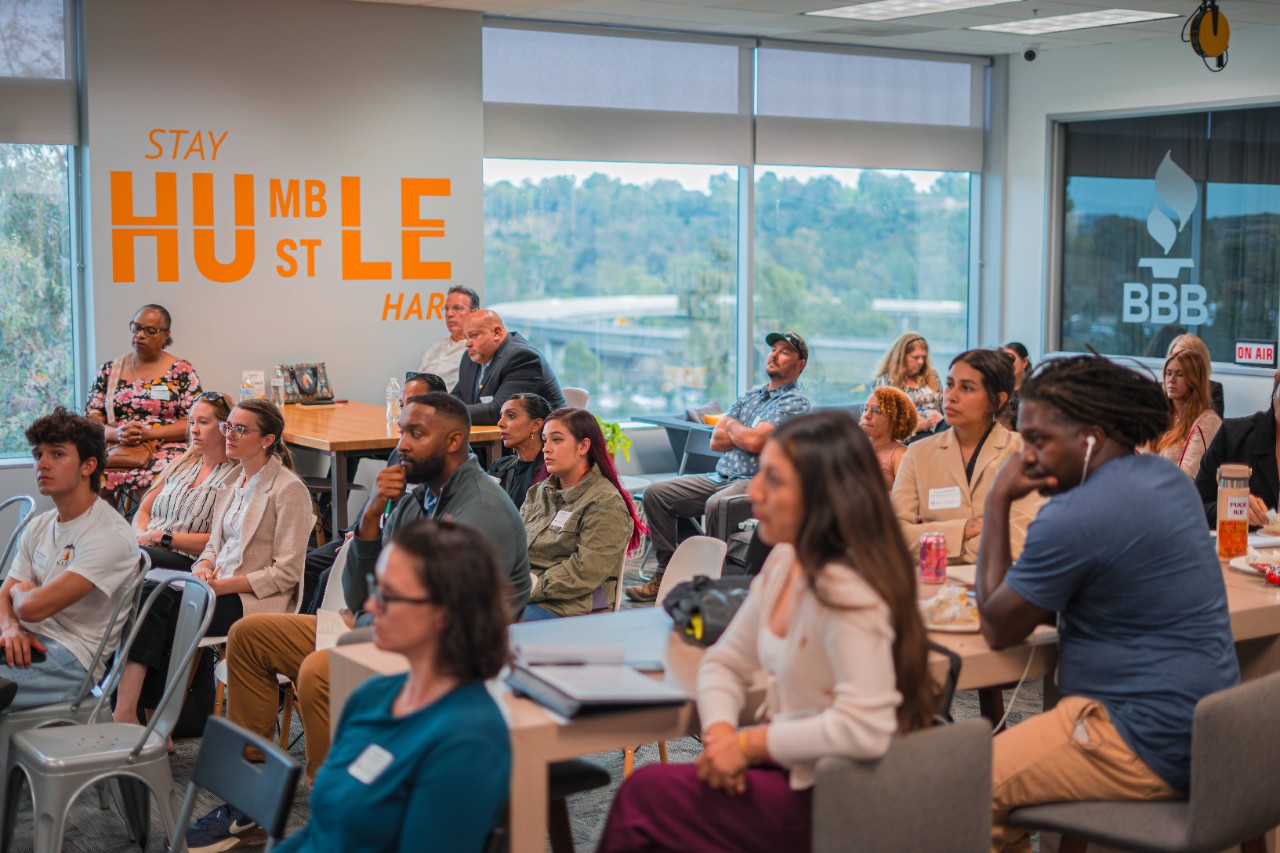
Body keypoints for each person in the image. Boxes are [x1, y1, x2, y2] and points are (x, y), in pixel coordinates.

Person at [188, 392, 530, 848]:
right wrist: (370, 516)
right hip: (383, 627)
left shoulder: (480, 510)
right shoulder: (415, 496)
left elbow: (448, 621)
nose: (401, 444)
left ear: (453, 441)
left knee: (321, 670)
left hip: (444, 654)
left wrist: (365, 622)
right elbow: (360, 594)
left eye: (416, 433)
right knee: (250, 635)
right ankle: (249, 802)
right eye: (402, 431)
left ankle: (336, 809)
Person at [597, 410, 937, 852]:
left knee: (645, 797)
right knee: (652, 798)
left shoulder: (850, 586)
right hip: (790, 768)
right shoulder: (786, 560)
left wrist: (749, 746)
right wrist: (721, 736)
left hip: (840, 796)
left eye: (774, 480)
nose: (755, 491)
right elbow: (725, 661)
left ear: (824, 494)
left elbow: (864, 728)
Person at [975, 354, 1239, 853]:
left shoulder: (1075, 514)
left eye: (1038, 441)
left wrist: (997, 500)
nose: (1026, 457)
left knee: (956, 790)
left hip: (1138, 738)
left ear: (1091, 438)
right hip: (1208, 734)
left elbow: (998, 626)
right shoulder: (1169, 481)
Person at [204, 520, 509, 853]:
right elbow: (322, 828)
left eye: (389, 595)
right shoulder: (372, 696)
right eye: (375, 588)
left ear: (442, 614)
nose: (371, 607)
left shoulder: (467, 741)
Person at [113, 399, 312, 733]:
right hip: (215, 585)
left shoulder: (289, 489)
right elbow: (213, 547)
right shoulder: (234, 481)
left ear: (267, 439)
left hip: (253, 599)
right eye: (228, 426)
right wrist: (203, 567)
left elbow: (287, 574)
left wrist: (220, 585)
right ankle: (134, 714)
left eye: (240, 429)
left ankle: (150, 721)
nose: (229, 434)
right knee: (149, 595)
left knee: (162, 608)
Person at [627, 331, 811, 602]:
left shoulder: (795, 402)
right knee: (657, 494)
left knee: (717, 504)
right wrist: (745, 433)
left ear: (800, 364)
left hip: (753, 482)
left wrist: (735, 427)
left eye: (784, 352)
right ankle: (666, 575)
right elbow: (716, 441)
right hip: (720, 476)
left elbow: (755, 442)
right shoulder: (750, 395)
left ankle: (713, 589)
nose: (774, 355)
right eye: (773, 349)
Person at [0, 408, 137, 713]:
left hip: (71, 660)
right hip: (26, 637)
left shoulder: (109, 535)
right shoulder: (40, 524)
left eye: (57, 454)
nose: (42, 464)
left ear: (88, 465)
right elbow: (5, 596)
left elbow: (31, 607)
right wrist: (9, 627)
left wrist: (19, 593)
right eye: (38, 454)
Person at [301, 372, 438, 612]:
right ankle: (300, 627)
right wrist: (357, 531)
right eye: (403, 404)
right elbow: (379, 504)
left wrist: (368, 537)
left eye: (414, 402)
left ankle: (320, 631)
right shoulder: (402, 449)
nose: (405, 411)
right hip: (370, 534)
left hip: (393, 546)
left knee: (328, 577)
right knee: (307, 564)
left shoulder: (440, 460)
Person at [891, 349, 1041, 564]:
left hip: (998, 581)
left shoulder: (1024, 452)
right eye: (950, 384)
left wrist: (935, 544)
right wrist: (962, 530)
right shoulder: (917, 453)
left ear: (998, 400)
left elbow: (1019, 541)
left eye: (967, 388)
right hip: (932, 582)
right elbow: (896, 538)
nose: (951, 396)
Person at [522, 408, 643, 620]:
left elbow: (586, 571)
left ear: (583, 446)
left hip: (572, 607)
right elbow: (515, 546)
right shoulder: (539, 492)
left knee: (488, 626)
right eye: (545, 440)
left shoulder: (605, 503)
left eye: (556, 440)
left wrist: (528, 587)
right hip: (531, 593)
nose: (546, 448)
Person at [85, 304, 203, 504]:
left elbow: (192, 421)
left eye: (150, 331)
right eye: (136, 328)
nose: (140, 335)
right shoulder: (109, 370)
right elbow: (91, 419)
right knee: (90, 470)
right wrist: (115, 433)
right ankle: (109, 522)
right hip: (116, 445)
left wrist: (148, 434)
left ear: (166, 335)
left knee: (159, 476)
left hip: (166, 445)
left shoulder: (181, 371)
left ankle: (147, 520)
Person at [131, 391, 239, 571]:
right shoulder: (180, 464)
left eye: (203, 422)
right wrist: (141, 536)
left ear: (225, 427)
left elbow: (224, 539)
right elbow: (143, 510)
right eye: (191, 422)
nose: (194, 430)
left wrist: (162, 538)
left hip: (188, 560)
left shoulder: (236, 477)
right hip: (145, 550)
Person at [452, 310, 567, 426]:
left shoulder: (522, 358)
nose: (467, 344)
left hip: (545, 434)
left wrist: (447, 413)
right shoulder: (471, 359)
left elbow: (501, 413)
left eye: (473, 336)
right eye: (466, 338)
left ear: (497, 333)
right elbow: (455, 399)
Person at [1195, 374, 1280, 528]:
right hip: (1240, 541)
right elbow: (1194, 508)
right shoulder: (1233, 437)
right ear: (1276, 381)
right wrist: (1231, 507)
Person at [1151, 348, 1221, 480]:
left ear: (1195, 380)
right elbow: (1137, 458)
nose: (1171, 380)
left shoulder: (1208, 421)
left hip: (1179, 491)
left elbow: (1188, 475)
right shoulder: (1158, 415)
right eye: (1168, 373)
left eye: (1180, 374)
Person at [488, 392, 550, 509]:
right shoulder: (499, 466)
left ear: (536, 424)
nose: (500, 423)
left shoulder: (550, 472)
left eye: (511, 416)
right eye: (501, 416)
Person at [872, 332, 942, 434]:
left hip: (938, 432)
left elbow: (943, 407)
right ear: (901, 357)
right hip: (907, 437)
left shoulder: (931, 376)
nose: (921, 362)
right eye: (916, 357)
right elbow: (884, 423)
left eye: (923, 357)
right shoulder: (885, 381)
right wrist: (924, 425)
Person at [417, 285, 479, 390]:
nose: (449, 314)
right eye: (447, 309)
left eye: (457, 308)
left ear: (474, 313)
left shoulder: (476, 350)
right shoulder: (435, 348)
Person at [859, 385, 918, 490]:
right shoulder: (854, 447)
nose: (866, 415)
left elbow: (906, 495)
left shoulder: (900, 455)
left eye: (876, 410)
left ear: (895, 419)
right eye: (865, 409)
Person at [1167, 333, 1224, 416]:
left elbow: (1213, 422)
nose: (1175, 360)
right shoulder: (1160, 390)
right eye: (1173, 355)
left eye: (1182, 356)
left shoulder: (1213, 390)